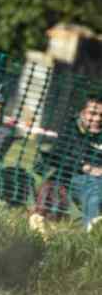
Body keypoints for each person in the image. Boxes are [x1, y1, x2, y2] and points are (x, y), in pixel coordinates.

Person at [46, 96, 102, 231]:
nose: (98, 119)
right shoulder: (71, 128)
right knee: (95, 191)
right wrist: (84, 167)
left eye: (101, 115)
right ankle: (91, 230)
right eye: (93, 114)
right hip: (73, 178)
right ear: (83, 112)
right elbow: (56, 156)